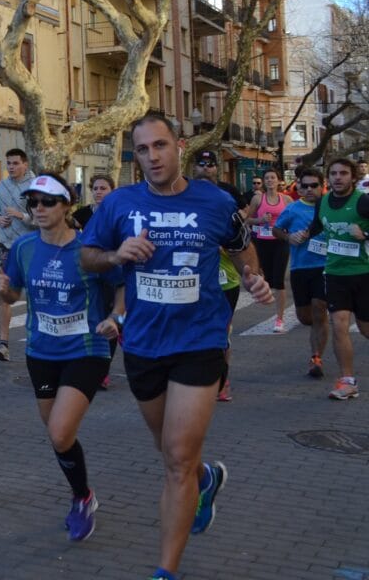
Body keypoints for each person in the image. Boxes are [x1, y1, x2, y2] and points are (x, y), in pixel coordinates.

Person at [80, 112, 272, 580]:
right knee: (169, 452)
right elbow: (86, 257)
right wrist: (115, 255)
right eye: (142, 150)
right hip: (143, 344)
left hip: (200, 340)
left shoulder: (214, 200)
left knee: (178, 461)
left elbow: (240, 242)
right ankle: (206, 480)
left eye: (160, 146)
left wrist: (254, 276)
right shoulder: (120, 204)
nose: (152, 157)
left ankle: (166, 571)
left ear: (179, 146)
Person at [0, 174, 121, 541]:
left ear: (67, 206)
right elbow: (13, 294)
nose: (39, 209)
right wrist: (4, 291)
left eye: (48, 202)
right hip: (40, 351)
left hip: (86, 349)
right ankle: (82, 494)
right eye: (33, 203)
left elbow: (121, 284)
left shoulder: (88, 248)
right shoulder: (24, 248)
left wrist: (116, 318)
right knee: (58, 436)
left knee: (61, 430)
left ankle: (81, 499)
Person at [303, 157, 369, 400]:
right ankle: (347, 381)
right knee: (339, 324)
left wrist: (365, 234)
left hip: (363, 274)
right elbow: (318, 226)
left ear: (353, 177)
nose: (338, 177)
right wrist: (303, 234)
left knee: (365, 329)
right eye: (333, 173)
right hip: (334, 274)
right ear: (328, 178)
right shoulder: (323, 202)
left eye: (343, 173)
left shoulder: (362, 201)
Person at [190, 150, 247, 403]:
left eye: (210, 164)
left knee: (221, 332)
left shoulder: (228, 195)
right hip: (193, 278)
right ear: (194, 168)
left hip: (226, 278)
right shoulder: (182, 194)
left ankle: (223, 382)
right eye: (200, 164)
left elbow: (242, 234)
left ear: (217, 168)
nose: (205, 168)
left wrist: (251, 271)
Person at [273, 169, 330, 379]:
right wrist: (289, 238)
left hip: (325, 267)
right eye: (304, 186)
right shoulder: (293, 209)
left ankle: (316, 357)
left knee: (319, 308)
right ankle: (318, 330)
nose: (308, 190)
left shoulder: (330, 207)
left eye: (313, 185)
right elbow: (276, 230)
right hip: (300, 268)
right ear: (298, 187)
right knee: (306, 317)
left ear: (322, 186)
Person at [0, 148, 37, 361]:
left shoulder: (36, 187)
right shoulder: (1, 187)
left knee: (34, 295)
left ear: (25, 164)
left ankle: (35, 339)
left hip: (30, 247)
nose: (11, 167)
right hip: (5, 246)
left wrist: (21, 215)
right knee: (3, 294)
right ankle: (3, 344)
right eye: (9, 163)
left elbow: (41, 220)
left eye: (15, 163)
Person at [247, 167, 291, 332]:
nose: (270, 181)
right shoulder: (258, 199)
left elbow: (293, 219)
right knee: (265, 278)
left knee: (279, 281)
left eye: (273, 177)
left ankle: (279, 319)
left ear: (279, 180)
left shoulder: (286, 200)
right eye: (267, 178)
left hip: (279, 241)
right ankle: (264, 293)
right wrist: (259, 219)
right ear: (264, 182)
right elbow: (247, 220)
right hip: (261, 242)